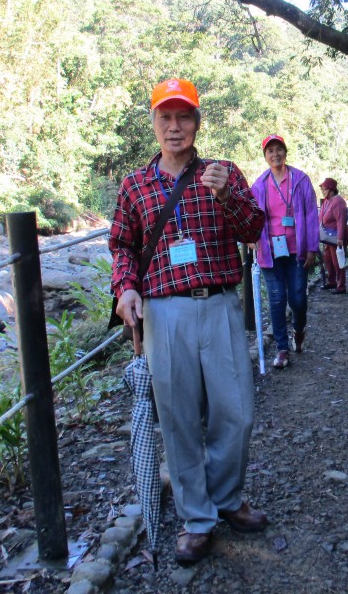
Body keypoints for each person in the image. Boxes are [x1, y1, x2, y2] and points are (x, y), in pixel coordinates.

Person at [109, 77, 268, 566]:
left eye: (184, 117)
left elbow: (254, 231)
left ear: (198, 122)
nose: (175, 127)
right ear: (154, 123)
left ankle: (226, 497)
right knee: (177, 419)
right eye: (166, 118)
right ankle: (197, 518)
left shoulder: (225, 173)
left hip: (219, 303)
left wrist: (227, 198)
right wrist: (126, 288)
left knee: (235, 413)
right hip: (164, 312)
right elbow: (122, 246)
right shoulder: (135, 184)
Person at [249, 134, 320, 369]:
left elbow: (311, 213)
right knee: (277, 299)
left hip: (296, 250)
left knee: (298, 298)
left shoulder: (300, 180)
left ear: (285, 152)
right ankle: (281, 348)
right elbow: (252, 215)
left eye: (279, 149)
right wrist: (250, 237)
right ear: (265, 156)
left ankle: (299, 329)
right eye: (270, 151)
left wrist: (312, 247)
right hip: (270, 251)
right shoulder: (259, 185)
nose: (275, 154)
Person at [318, 177, 348, 293]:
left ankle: (341, 286)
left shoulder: (338, 201)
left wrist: (340, 238)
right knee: (328, 260)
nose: (322, 191)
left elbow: (341, 220)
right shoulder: (326, 201)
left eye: (324, 189)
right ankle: (332, 282)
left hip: (336, 236)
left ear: (331, 190)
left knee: (337, 261)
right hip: (327, 236)